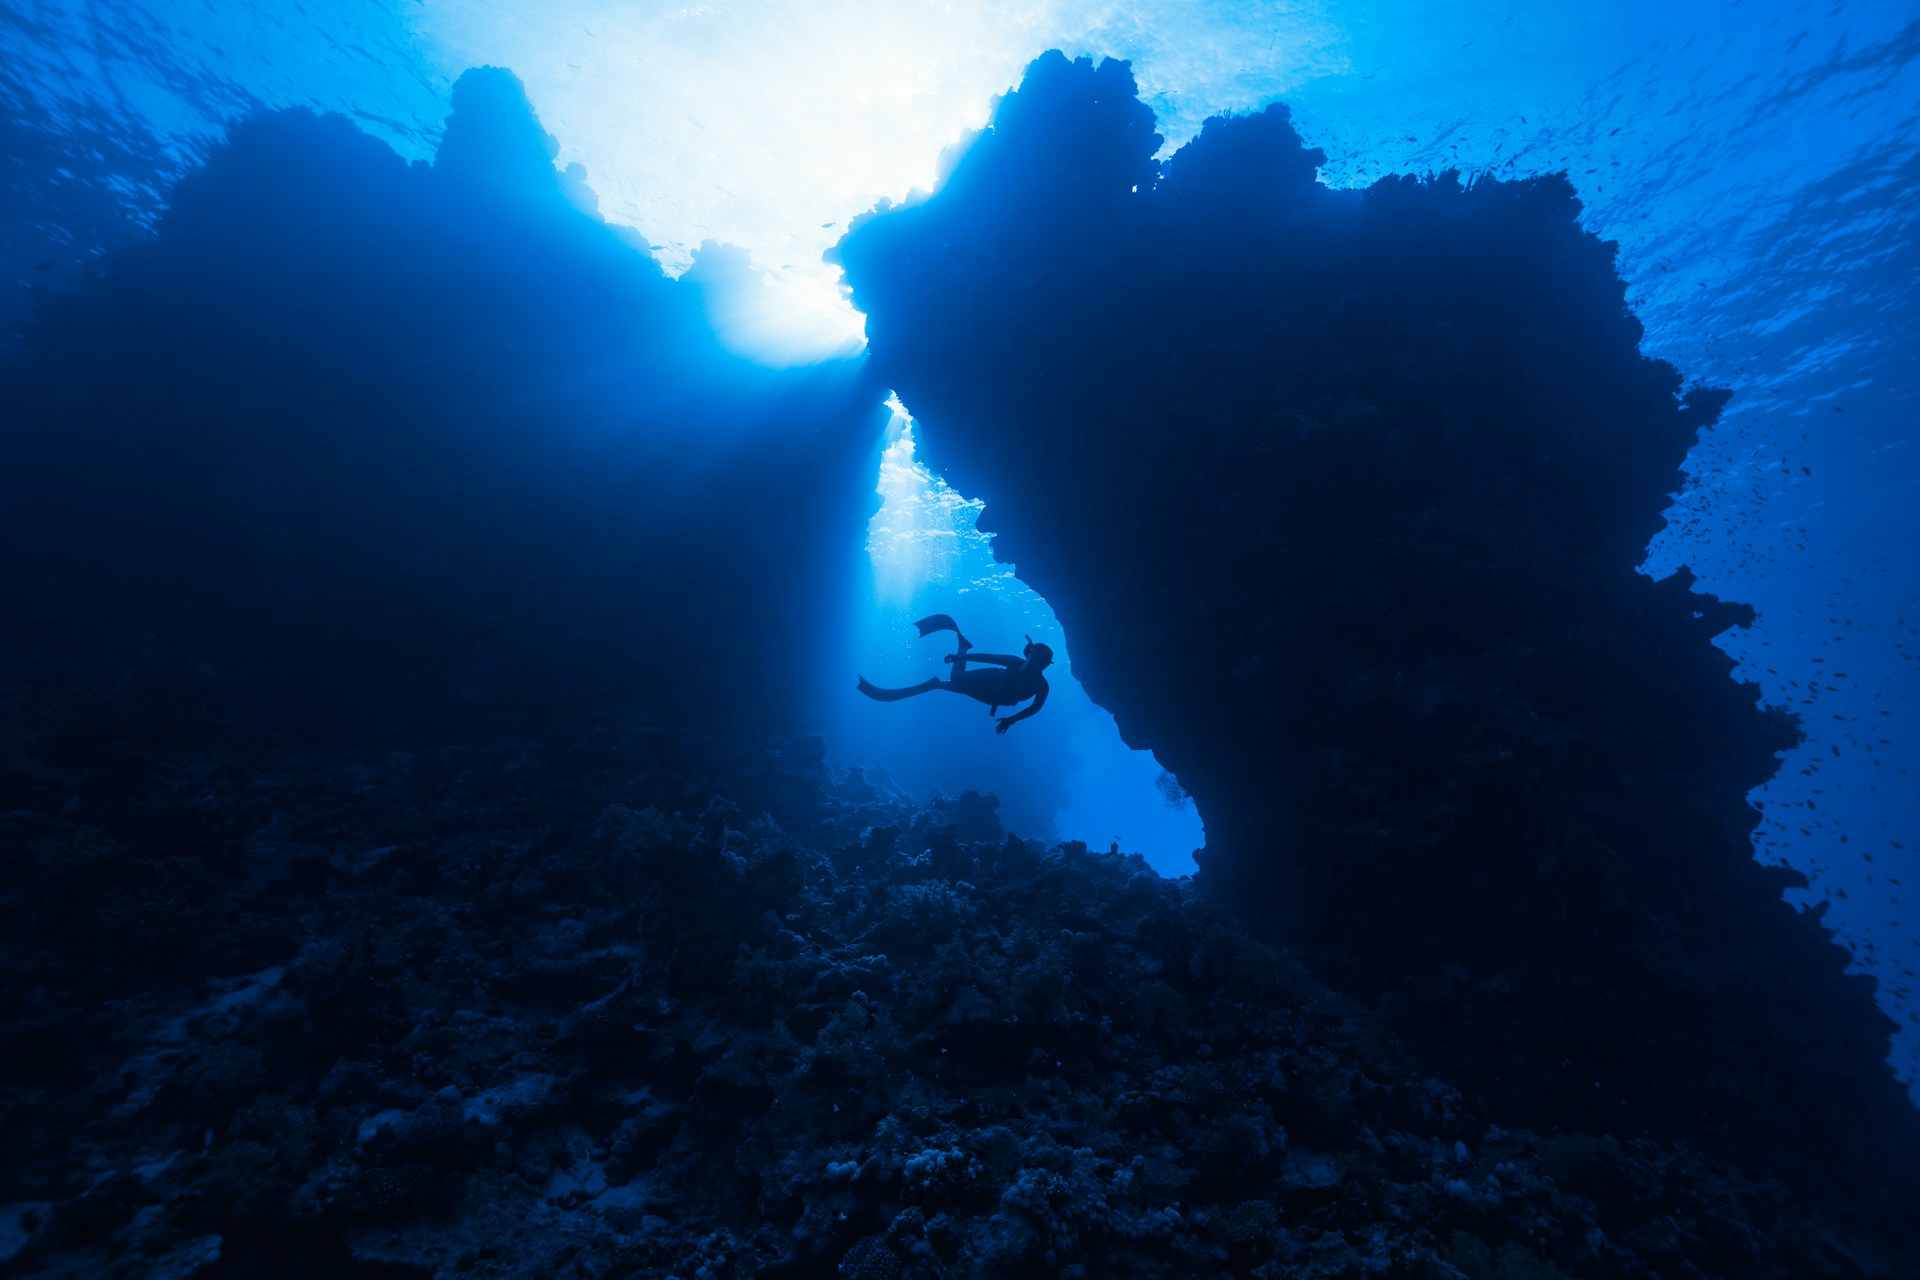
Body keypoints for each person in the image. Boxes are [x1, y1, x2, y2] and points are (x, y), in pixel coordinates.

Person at [857, 614, 1052, 734]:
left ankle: (936, 684)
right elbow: (987, 658)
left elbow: (1035, 708)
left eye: (1042, 664)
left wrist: (1011, 720)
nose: (1038, 666)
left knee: (959, 686)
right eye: (1036, 660)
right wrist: (957, 658)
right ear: (1031, 657)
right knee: (957, 679)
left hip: (993, 697)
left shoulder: (1042, 687)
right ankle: (962, 647)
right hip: (989, 678)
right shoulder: (1015, 662)